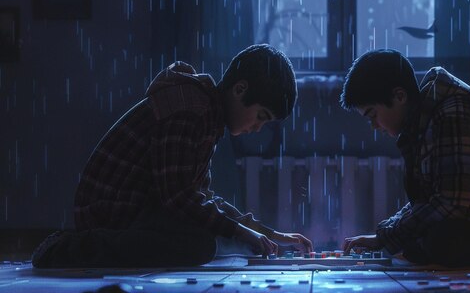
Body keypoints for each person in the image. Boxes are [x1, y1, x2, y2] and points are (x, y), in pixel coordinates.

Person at [32, 44, 313, 268]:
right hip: (112, 213)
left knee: (211, 236)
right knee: (199, 244)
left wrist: (264, 231)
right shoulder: (190, 109)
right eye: (260, 117)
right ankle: (68, 249)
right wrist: (240, 232)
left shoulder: (208, 117)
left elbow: (199, 197)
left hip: (142, 210)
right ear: (240, 89)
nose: (256, 128)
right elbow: (177, 196)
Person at [339, 49, 470, 267]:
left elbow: (452, 203)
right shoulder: (426, 122)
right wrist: (385, 234)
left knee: (443, 237)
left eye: (373, 115)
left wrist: (387, 237)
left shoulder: (452, 114)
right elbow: (431, 200)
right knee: (423, 234)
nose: (374, 126)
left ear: (400, 96)